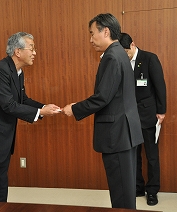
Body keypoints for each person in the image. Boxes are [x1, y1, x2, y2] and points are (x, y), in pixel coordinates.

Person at [0, 32, 61, 202]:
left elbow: (23, 100)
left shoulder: (17, 71)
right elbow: (8, 105)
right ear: (18, 51)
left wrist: (43, 107)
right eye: (31, 48)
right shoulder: (0, 71)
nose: (34, 53)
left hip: (2, 139)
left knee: (1, 186)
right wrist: (40, 113)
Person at [63, 14, 144, 209]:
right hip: (126, 132)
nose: (90, 39)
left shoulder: (111, 56)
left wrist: (74, 109)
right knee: (126, 189)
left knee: (121, 193)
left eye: (92, 33)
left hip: (117, 134)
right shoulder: (120, 53)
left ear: (105, 31)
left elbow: (102, 97)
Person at [119, 32, 166, 206]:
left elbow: (160, 86)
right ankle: (138, 187)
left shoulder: (149, 58)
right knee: (134, 154)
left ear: (132, 45)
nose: (124, 56)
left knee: (151, 156)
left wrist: (161, 111)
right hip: (130, 116)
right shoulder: (121, 61)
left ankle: (152, 191)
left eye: (126, 52)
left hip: (149, 115)